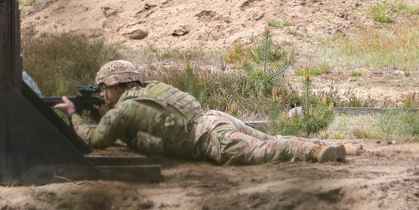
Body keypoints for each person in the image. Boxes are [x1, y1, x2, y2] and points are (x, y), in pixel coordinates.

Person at [54, 60, 355, 164]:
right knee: (270, 137)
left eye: (104, 89)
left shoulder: (125, 110)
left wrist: (73, 114)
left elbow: (97, 140)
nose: (103, 95)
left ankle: (315, 153)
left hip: (210, 139)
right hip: (216, 118)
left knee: (269, 150)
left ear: (116, 86)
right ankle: (338, 147)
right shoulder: (152, 89)